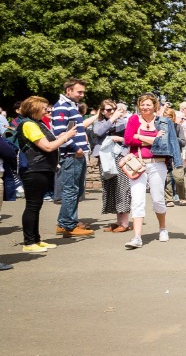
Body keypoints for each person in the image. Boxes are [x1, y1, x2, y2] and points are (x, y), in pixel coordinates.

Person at [15, 97, 78, 255]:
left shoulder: (37, 123)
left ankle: (36, 239)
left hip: (41, 168)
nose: (47, 111)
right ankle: (29, 242)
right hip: (33, 169)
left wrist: (60, 137)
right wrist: (66, 136)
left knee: (36, 206)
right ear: (34, 108)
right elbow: (48, 147)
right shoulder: (29, 124)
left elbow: (49, 143)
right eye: (44, 108)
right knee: (32, 206)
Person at [122, 94, 171, 249]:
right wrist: (153, 138)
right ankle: (137, 237)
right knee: (137, 200)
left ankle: (163, 228)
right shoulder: (133, 120)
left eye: (148, 105)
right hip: (138, 163)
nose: (145, 107)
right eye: (142, 104)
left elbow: (164, 142)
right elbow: (128, 139)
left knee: (157, 200)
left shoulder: (161, 120)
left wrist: (140, 136)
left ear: (154, 106)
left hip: (158, 164)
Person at [52, 78, 93, 237]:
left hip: (76, 155)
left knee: (75, 190)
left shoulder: (70, 106)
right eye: (79, 92)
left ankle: (70, 221)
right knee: (71, 190)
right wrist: (76, 149)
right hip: (71, 155)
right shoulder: (62, 107)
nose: (82, 95)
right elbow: (60, 133)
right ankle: (66, 225)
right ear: (68, 90)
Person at [93, 100, 133, 231]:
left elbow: (130, 138)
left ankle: (125, 223)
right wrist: (111, 120)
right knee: (110, 188)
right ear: (103, 111)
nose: (112, 112)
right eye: (109, 110)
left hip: (120, 157)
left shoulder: (123, 122)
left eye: (114, 109)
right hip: (105, 159)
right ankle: (118, 221)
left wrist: (120, 139)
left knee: (122, 188)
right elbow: (98, 132)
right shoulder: (100, 122)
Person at [160, 106, 186, 208]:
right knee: (167, 179)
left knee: (179, 178)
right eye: (165, 116)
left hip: (176, 155)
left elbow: (183, 142)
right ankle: (169, 199)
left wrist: (173, 138)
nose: (167, 119)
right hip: (164, 155)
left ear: (173, 117)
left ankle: (182, 197)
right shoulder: (160, 127)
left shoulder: (178, 127)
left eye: (169, 116)